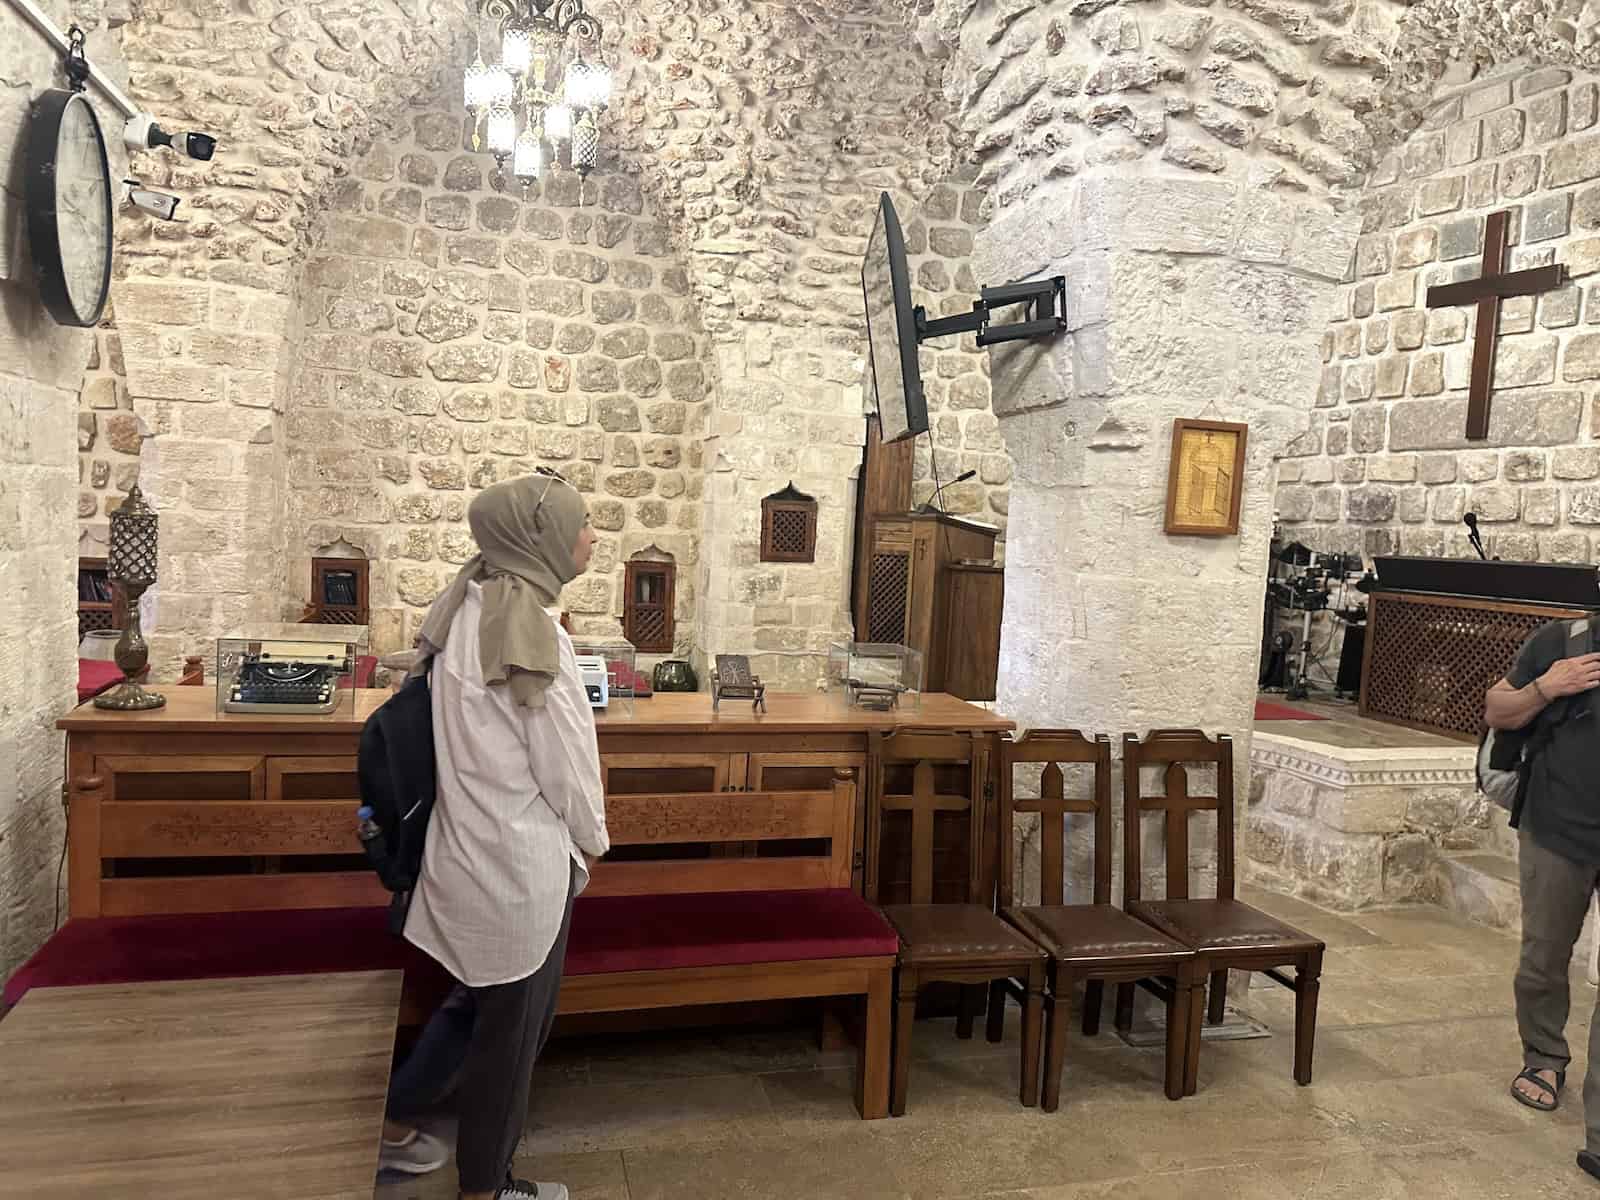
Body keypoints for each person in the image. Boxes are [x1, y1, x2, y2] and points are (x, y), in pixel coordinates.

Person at [377, 470, 609, 1200]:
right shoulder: (533, 633)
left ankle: (393, 1124)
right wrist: (593, 840)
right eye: (581, 523)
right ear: (540, 540)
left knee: (474, 1004)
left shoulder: (467, 608)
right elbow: (568, 769)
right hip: (518, 869)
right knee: (510, 1042)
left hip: (464, 856)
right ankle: (486, 1188)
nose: (591, 535)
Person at [1484, 616, 1600, 1185]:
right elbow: (1497, 712)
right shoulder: (1565, 641)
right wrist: (1544, 688)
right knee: (1544, 958)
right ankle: (1545, 1056)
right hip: (1558, 827)